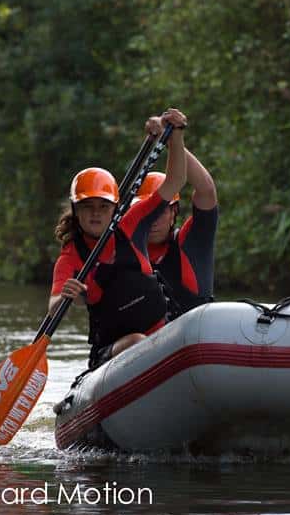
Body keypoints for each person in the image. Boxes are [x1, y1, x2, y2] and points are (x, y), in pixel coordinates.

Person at [48, 108, 188, 370]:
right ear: (76, 210)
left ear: (115, 208)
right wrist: (69, 297)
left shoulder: (131, 223)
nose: (96, 214)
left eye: (103, 206)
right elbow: (54, 306)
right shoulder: (71, 256)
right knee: (137, 341)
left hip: (163, 337)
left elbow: (176, 181)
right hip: (112, 352)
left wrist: (176, 137)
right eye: (87, 207)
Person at [132, 116, 218, 317]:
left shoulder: (192, 240)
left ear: (173, 213)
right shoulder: (124, 249)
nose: (153, 219)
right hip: (143, 333)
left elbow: (206, 190)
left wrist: (171, 140)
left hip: (195, 328)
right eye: (147, 211)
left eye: (160, 211)